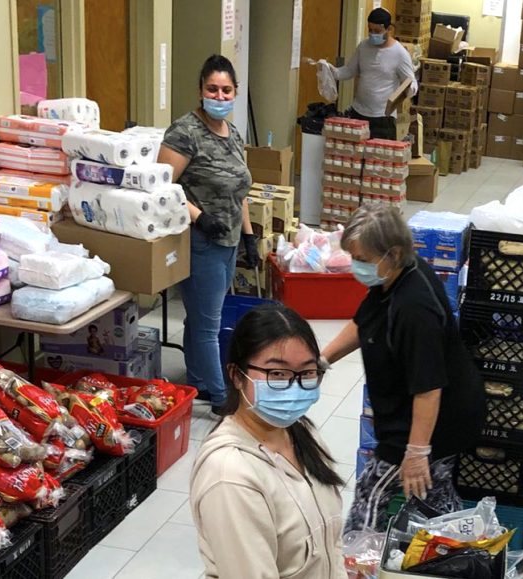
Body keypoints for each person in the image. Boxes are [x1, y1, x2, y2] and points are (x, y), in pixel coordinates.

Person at [322, 204, 484, 533]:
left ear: (392, 253)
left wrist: (416, 452)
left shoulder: (414, 307)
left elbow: (428, 388)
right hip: (420, 413)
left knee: (373, 491)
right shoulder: (395, 276)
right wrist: (321, 361)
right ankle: (460, 553)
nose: (356, 267)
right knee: (432, 497)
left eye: (362, 260)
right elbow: (365, 322)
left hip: (434, 419)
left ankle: (357, 560)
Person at [190, 304, 345, 579]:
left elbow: (331, 545)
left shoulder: (299, 432)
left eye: (307, 372)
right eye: (277, 374)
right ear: (237, 375)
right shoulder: (230, 475)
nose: (295, 386)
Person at [158, 54, 259, 415]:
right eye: (212, 89)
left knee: (201, 317)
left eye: (226, 90)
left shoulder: (233, 134)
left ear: (235, 91)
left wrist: (249, 237)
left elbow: (239, 190)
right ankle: (220, 398)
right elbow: (161, 187)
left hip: (229, 240)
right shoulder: (184, 133)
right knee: (208, 324)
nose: (219, 96)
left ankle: (198, 380)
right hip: (201, 241)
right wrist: (200, 217)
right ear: (200, 91)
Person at [330, 8, 418, 140]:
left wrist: (408, 90)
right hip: (358, 113)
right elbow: (349, 70)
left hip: (383, 119)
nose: (372, 34)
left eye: (377, 31)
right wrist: (332, 72)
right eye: (370, 30)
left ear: (389, 29)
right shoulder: (363, 46)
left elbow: (411, 82)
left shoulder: (399, 53)